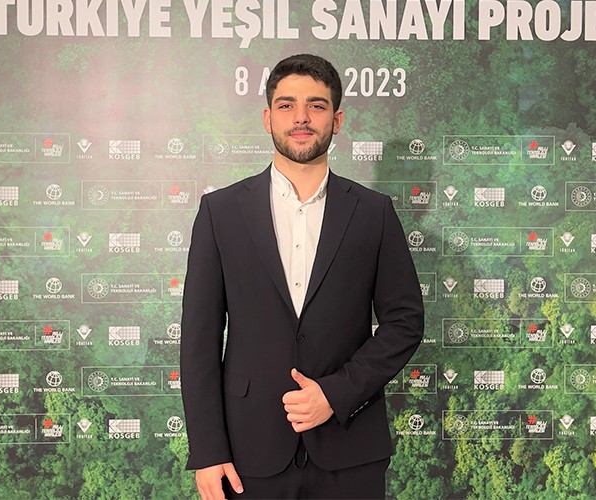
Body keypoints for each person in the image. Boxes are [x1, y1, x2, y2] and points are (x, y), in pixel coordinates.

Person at [181, 53, 424, 500]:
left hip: (350, 448)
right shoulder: (221, 212)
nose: (301, 118)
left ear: (337, 120)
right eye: (287, 104)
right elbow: (199, 339)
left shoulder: (374, 213)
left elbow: (405, 322)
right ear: (267, 117)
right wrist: (208, 450)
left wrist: (335, 394)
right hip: (246, 453)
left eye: (316, 105)